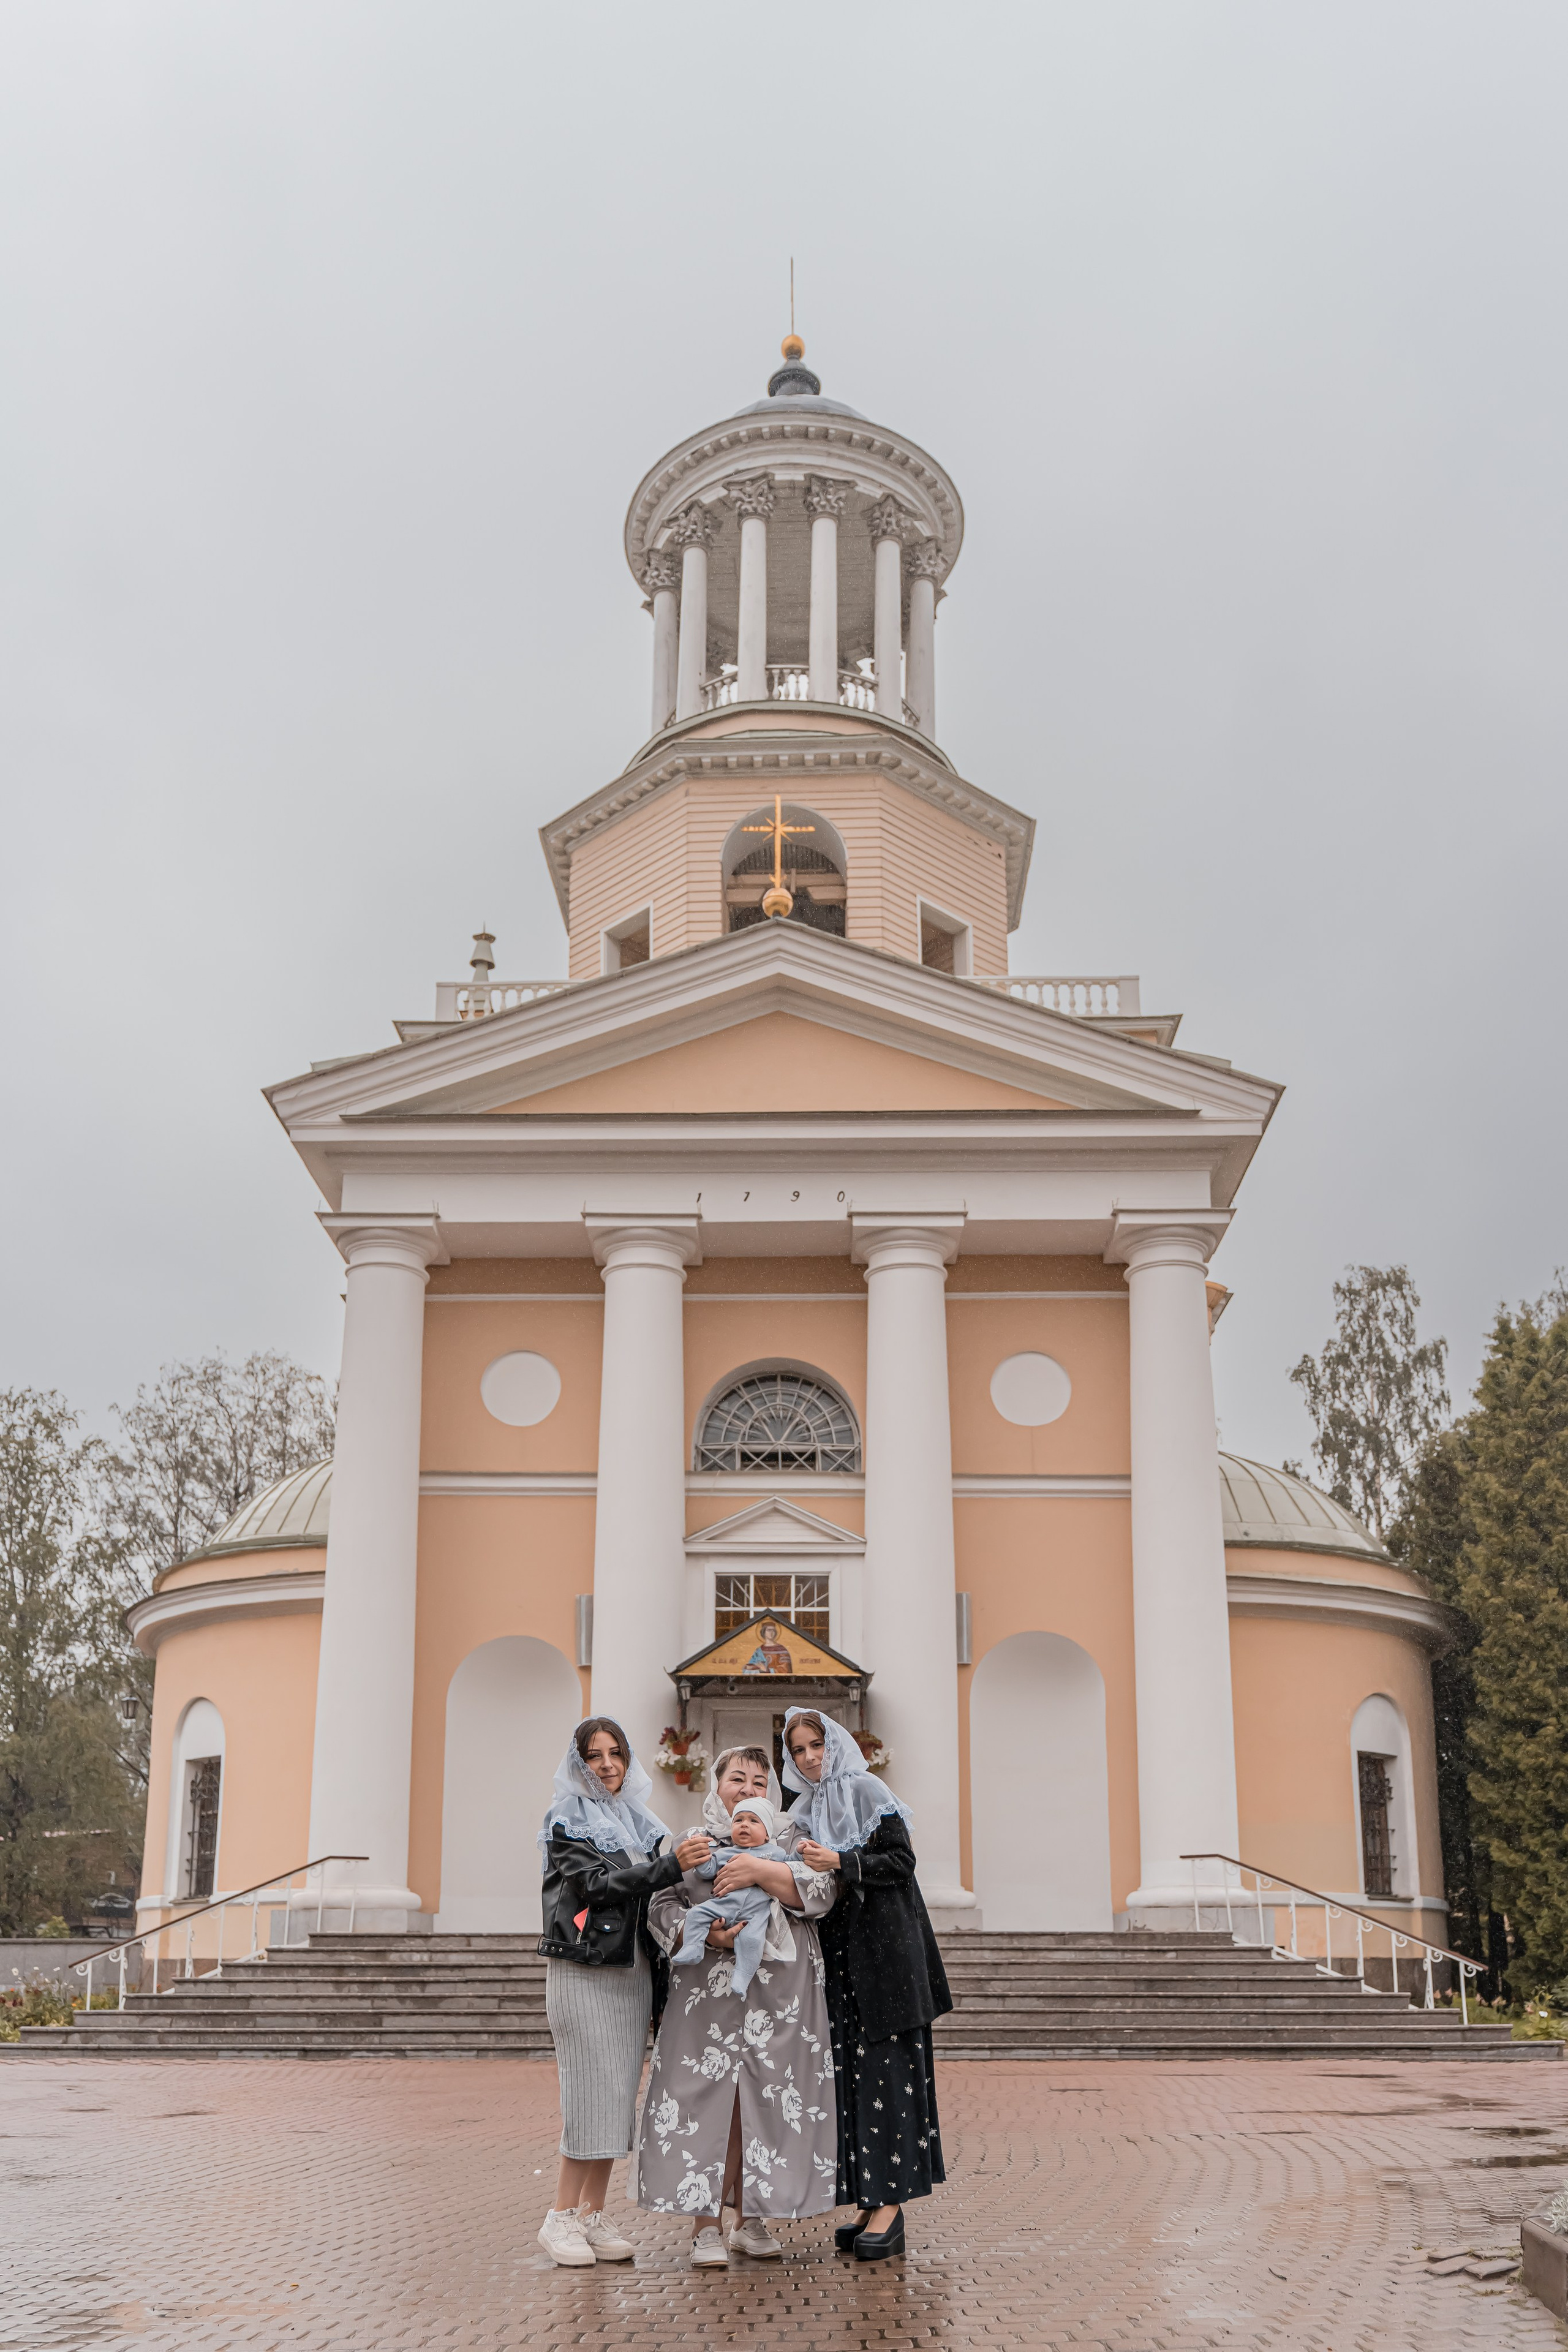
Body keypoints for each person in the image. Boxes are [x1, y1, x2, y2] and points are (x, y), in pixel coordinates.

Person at [636, 1744, 839, 2268]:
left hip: (780, 1993)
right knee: (708, 2098)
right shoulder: (689, 1843)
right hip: (707, 1990)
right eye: (737, 1780)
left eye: (758, 1783)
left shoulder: (793, 1838)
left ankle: (752, 2219)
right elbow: (659, 1905)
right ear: (717, 1785)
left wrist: (758, 1871)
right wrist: (708, 1938)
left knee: (767, 2095)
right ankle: (706, 2225)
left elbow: (822, 1892)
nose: (748, 1791)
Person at [535, 1716, 711, 2268]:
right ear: (577, 1763)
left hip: (634, 1974)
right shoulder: (565, 1820)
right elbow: (595, 1887)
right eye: (594, 1755)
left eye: (616, 1754)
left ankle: (591, 2214)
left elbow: (673, 1877)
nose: (607, 1765)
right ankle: (559, 2217)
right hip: (584, 1971)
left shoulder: (639, 1820)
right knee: (588, 2092)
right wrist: (667, 1866)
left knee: (616, 2096)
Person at [782, 1706, 952, 2263]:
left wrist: (841, 1859)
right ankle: (866, 2199)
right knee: (853, 2081)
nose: (809, 1757)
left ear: (834, 1744)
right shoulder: (803, 1809)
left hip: (887, 1959)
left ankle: (891, 2208)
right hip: (841, 1962)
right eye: (799, 1750)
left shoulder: (865, 1789)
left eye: (816, 1745)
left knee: (889, 2075)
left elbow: (901, 1861)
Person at [670, 1796, 790, 1997]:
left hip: (756, 1912)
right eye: (738, 1820)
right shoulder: (725, 1853)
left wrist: (801, 1854)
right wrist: (702, 1855)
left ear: (767, 1834)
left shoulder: (775, 1853)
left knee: (752, 1941)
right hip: (724, 1904)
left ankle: (742, 1976)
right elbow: (707, 1871)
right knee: (697, 1914)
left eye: (753, 1821)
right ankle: (693, 1948)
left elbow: (790, 1866)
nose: (744, 1824)